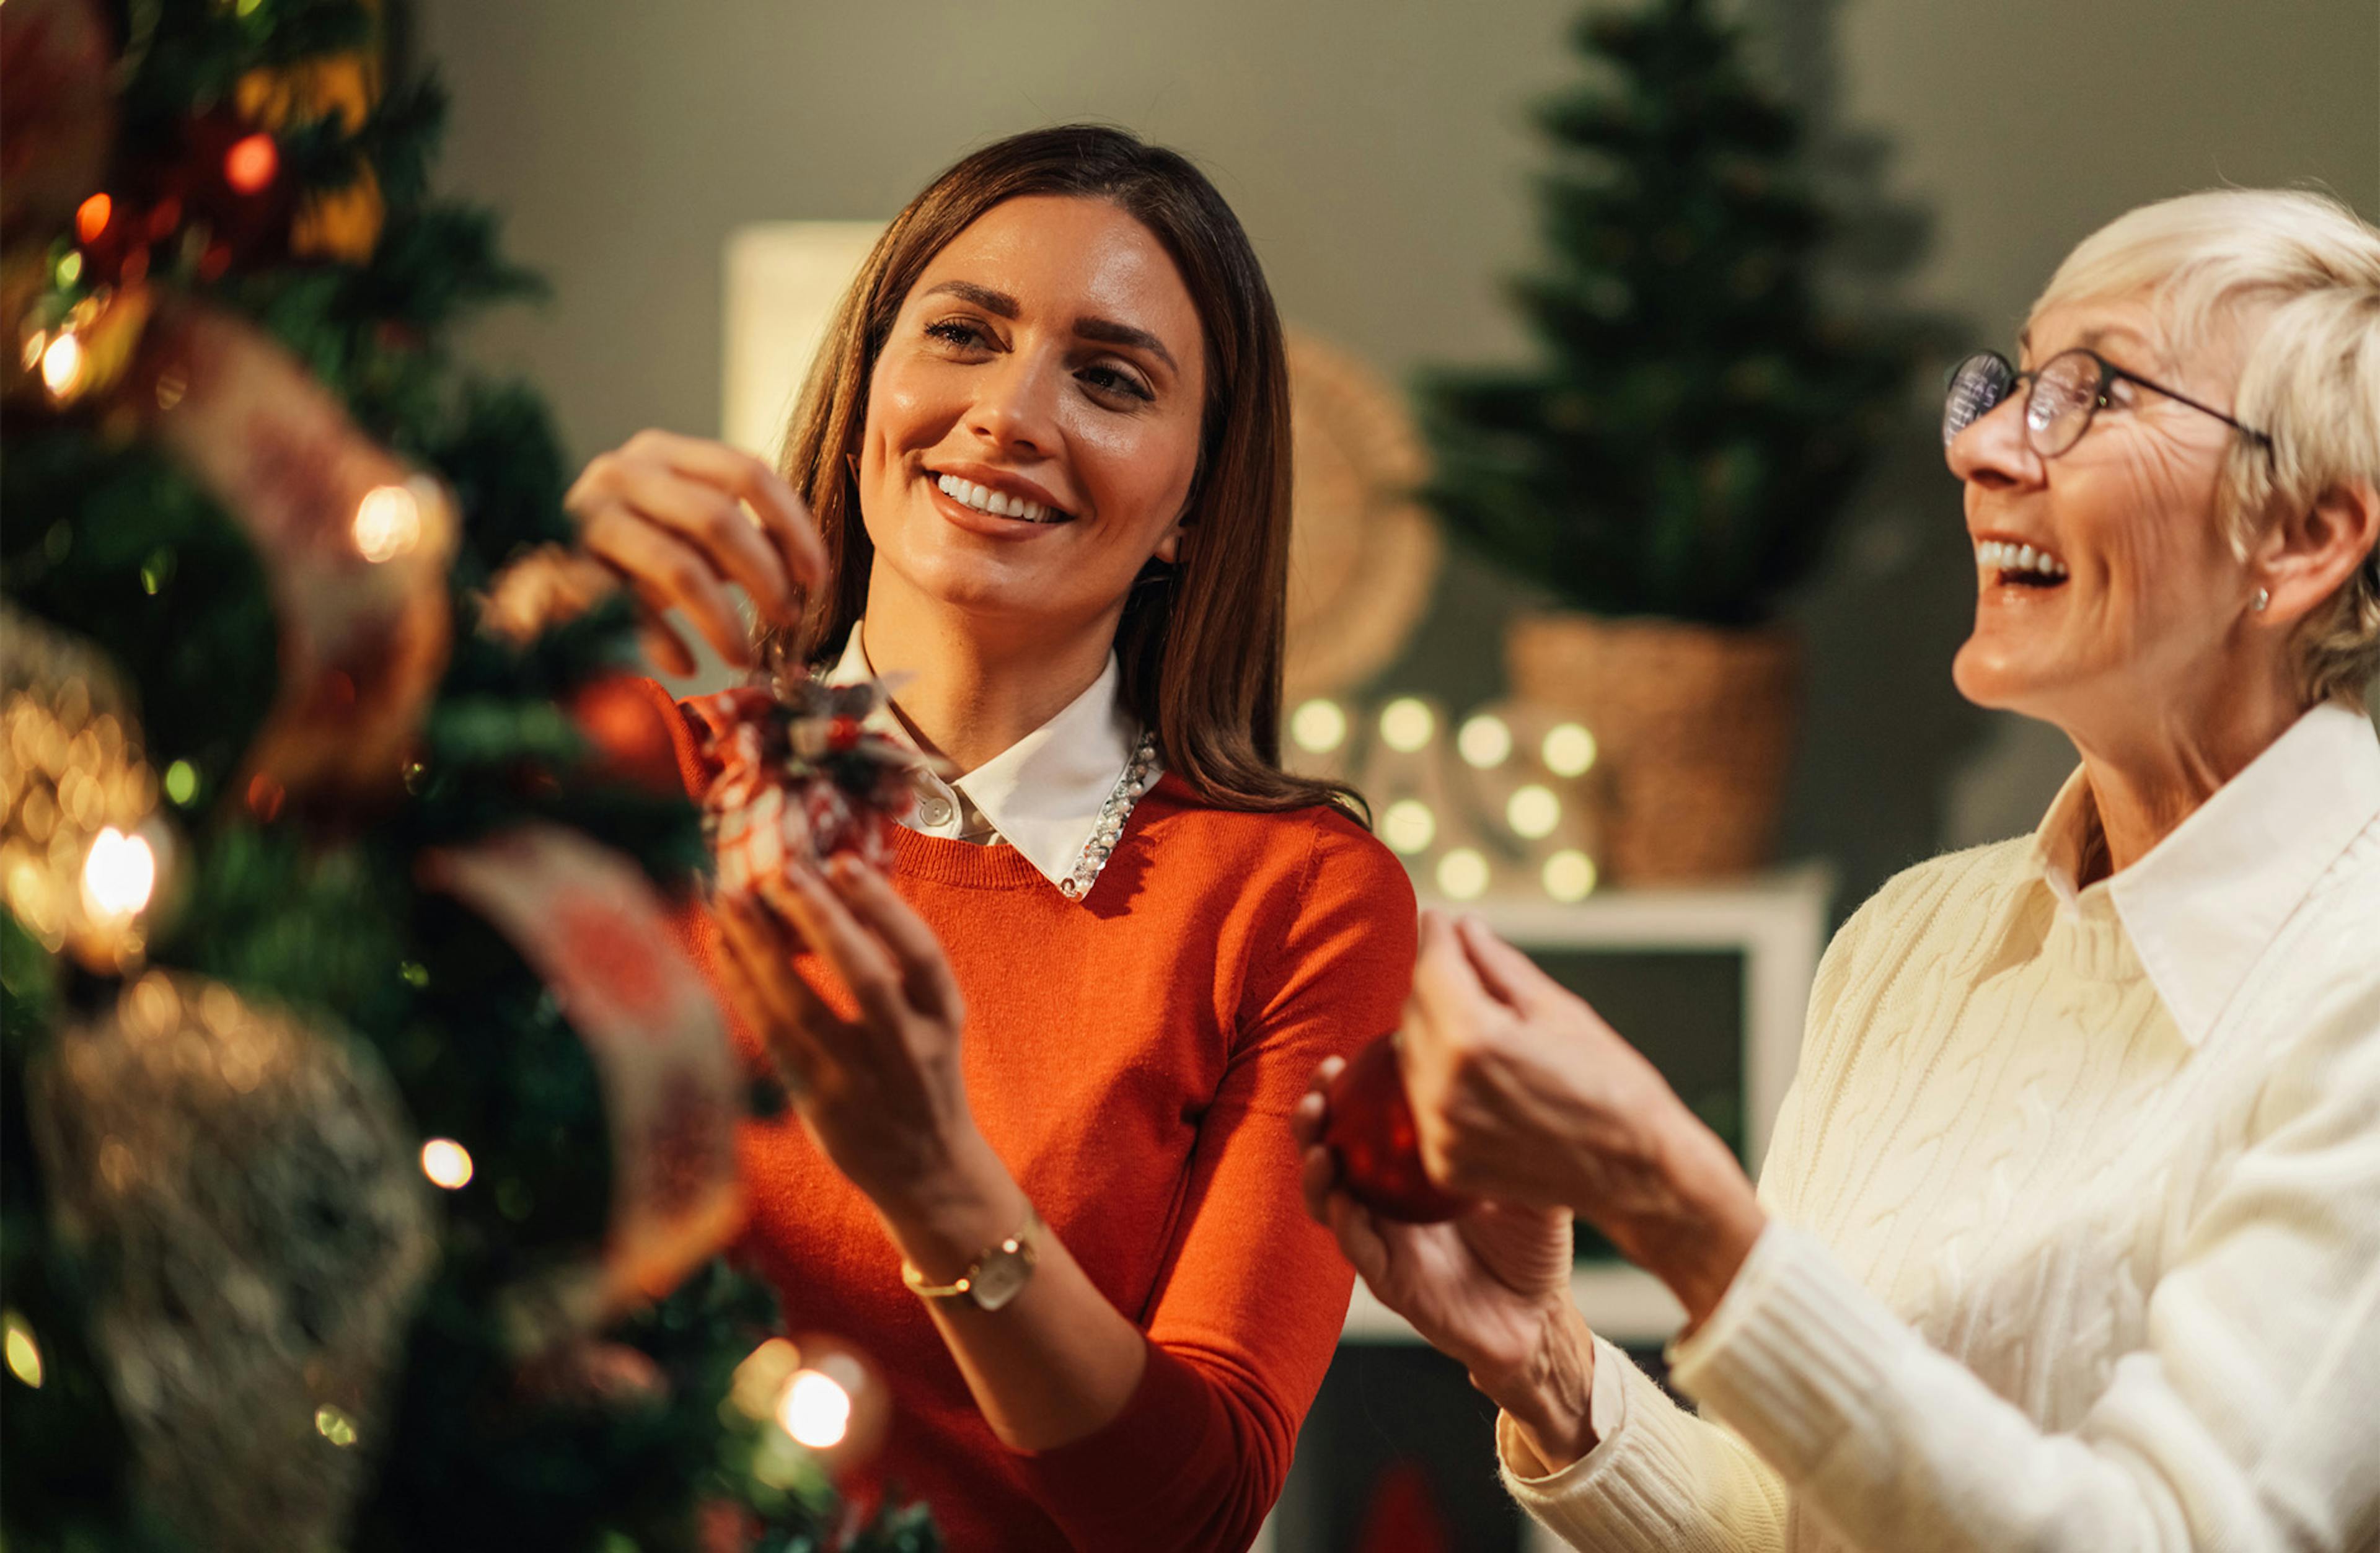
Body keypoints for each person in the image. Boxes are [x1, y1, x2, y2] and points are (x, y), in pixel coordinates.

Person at [1296, 186, 2380, 1552]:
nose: (1983, 444)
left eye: (2093, 394)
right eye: (2012, 382)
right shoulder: (1913, 940)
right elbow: (1801, 1524)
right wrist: (1549, 1367)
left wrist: (1677, 1206)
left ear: (2303, 539)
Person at [540, 126, 1416, 1549]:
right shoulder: (632, 765)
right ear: (873, 379)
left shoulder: (1300, 895)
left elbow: (1194, 1505)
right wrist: (510, 623)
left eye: (1111, 378)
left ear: (1196, 506)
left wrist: (935, 1176)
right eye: (963, 332)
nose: (1010, 413)